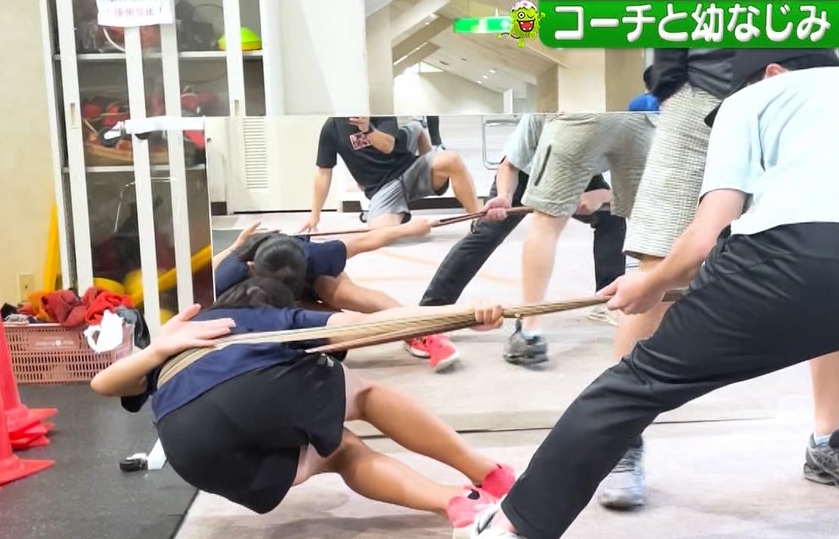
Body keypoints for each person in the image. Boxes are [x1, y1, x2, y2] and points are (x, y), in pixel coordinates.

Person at [469, 49, 839, 539]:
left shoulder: (754, 97)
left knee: (640, 381)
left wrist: (650, 283)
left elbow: (706, 235)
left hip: (801, 259)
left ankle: (511, 529)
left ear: (771, 72)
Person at [601, 0, 839, 513]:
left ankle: (827, 442)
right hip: (703, 88)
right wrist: (670, 78)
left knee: (833, 263)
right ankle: (616, 438)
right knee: (657, 261)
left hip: (820, 87)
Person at [90, 277, 516, 539]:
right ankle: (486, 474)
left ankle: (456, 501)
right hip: (250, 392)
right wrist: (460, 316)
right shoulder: (270, 317)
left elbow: (102, 385)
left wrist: (158, 348)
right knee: (364, 394)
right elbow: (371, 324)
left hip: (194, 454)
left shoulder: (182, 337)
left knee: (340, 449)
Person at [417, 114, 627, 337]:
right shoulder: (541, 118)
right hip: (526, 174)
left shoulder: (625, 126)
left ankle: (607, 300)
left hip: (579, 176)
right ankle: (431, 311)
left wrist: (601, 196)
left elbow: (638, 189)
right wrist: (504, 197)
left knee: (611, 217)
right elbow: (509, 165)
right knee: (486, 234)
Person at [507, 113, 654, 365]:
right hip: (639, 116)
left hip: (580, 113)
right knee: (651, 225)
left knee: (546, 223)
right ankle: (653, 335)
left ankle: (530, 331)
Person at [217, 222, 465, 371]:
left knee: (344, 293)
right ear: (250, 268)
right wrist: (233, 247)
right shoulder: (229, 275)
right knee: (330, 331)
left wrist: (410, 228)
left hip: (310, 281)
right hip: (274, 297)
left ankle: (423, 332)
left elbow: (365, 241)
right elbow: (201, 274)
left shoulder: (311, 254)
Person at [305, 117, 480, 232]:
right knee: (380, 233)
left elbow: (387, 146)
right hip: (382, 188)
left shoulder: (381, 112)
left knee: (452, 159)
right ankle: (396, 213)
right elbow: (323, 173)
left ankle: (478, 219)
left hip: (408, 169)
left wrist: (367, 129)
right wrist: (315, 215)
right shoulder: (332, 128)